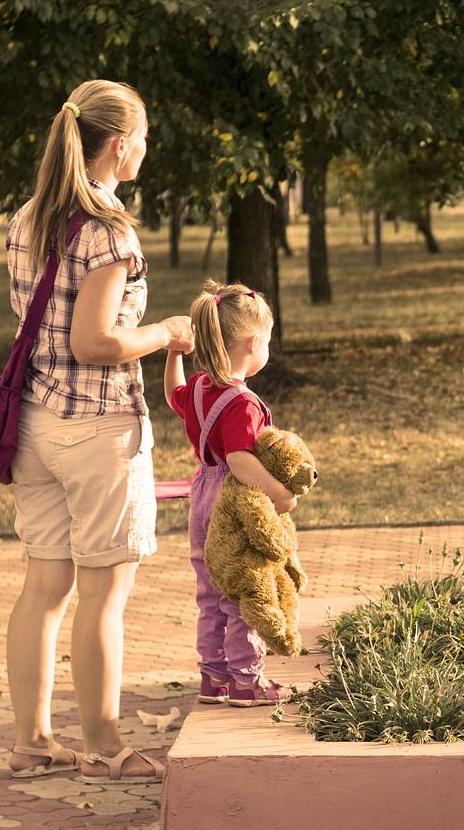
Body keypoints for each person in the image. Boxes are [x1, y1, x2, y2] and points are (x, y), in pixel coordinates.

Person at [4, 80, 194, 784]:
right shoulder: (110, 233)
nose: (145, 150)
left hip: (34, 424)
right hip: (98, 431)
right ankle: (106, 745)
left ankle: (32, 741)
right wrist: (167, 332)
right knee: (102, 595)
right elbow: (94, 342)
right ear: (118, 145)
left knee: (42, 587)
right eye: (142, 139)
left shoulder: (29, 218)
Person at [163, 280, 296, 706]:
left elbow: (172, 395)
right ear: (253, 343)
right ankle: (246, 679)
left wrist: (173, 355)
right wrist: (279, 493)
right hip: (232, 503)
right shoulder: (244, 403)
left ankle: (213, 675)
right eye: (268, 341)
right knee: (243, 587)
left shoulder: (201, 386)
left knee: (210, 592)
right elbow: (239, 459)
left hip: (201, 494)